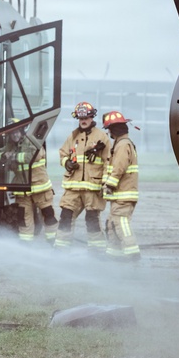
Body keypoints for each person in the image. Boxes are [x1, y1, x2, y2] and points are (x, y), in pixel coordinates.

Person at [55, 101, 111, 253]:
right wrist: (67, 163)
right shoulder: (73, 136)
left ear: (92, 117)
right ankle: (61, 250)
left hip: (92, 189)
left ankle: (97, 252)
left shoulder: (101, 137)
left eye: (86, 118)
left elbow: (108, 162)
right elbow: (63, 153)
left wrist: (105, 183)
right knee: (65, 217)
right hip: (73, 187)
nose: (83, 121)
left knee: (91, 220)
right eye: (80, 119)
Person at [0, 119, 58, 243]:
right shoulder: (10, 145)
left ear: (21, 131)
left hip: (40, 187)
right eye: (12, 133)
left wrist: (13, 156)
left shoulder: (32, 141)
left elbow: (30, 156)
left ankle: (54, 242)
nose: (14, 135)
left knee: (48, 215)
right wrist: (3, 156)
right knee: (24, 218)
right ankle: (26, 244)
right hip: (22, 189)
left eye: (16, 132)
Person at [100, 111, 141, 261]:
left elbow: (119, 167)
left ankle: (132, 254)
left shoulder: (123, 145)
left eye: (109, 129)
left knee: (121, 222)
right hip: (119, 195)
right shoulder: (120, 144)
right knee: (112, 224)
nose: (108, 132)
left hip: (124, 194)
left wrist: (109, 185)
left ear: (114, 129)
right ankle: (113, 258)